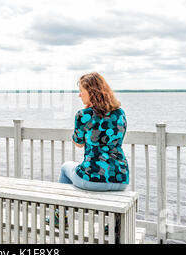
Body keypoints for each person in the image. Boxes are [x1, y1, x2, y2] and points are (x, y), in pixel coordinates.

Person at [47, 72, 129, 228]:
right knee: (107, 180)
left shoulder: (83, 115)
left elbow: (78, 143)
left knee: (66, 167)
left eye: (81, 91)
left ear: (92, 93)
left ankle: (59, 216)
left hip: (92, 177)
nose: (79, 95)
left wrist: (84, 118)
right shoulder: (120, 113)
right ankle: (114, 225)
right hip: (121, 177)